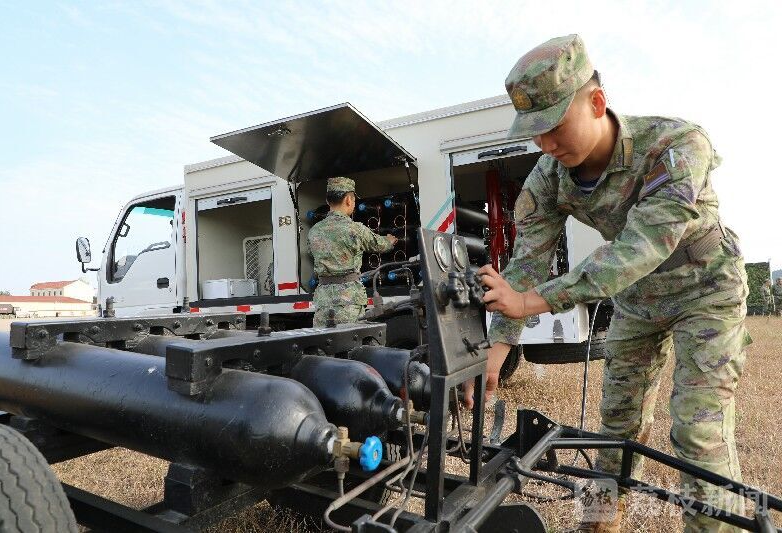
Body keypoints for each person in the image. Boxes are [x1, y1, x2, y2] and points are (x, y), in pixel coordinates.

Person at [464, 35, 750, 532]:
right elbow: (527, 260)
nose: (545, 144)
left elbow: (643, 245)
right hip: (638, 301)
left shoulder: (677, 145)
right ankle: (598, 526)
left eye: (554, 126)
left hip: (706, 289)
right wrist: (494, 353)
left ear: (596, 102)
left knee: (698, 432)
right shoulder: (549, 178)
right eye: (534, 134)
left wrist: (533, 301)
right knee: (614, 430)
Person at [308, 177, 396, 327]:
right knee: (351, 346)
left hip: (323, 301)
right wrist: (390, 240)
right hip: (348, 303)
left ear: (328, 201)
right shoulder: (355, 229)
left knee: (323, 346)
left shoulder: (314, 231)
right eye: (354, 200)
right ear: (349, 200)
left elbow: (312, 253)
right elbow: (379, 245)